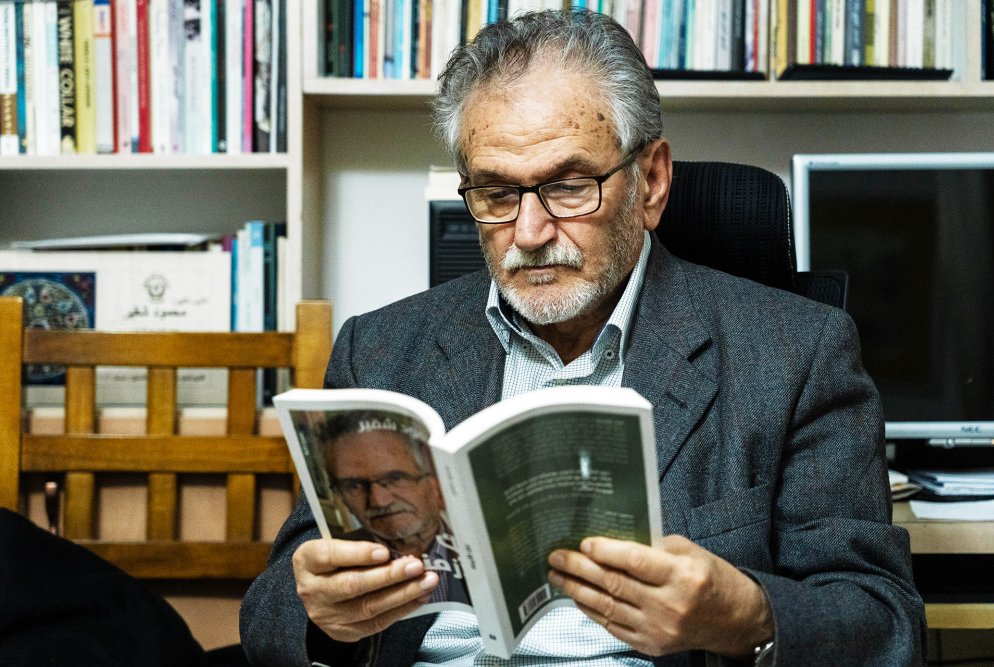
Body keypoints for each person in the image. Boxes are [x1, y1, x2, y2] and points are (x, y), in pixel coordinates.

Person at [241, 9, 926, 666]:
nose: (530, 233)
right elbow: (271, 613)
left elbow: (884, 625)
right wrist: (322, 614)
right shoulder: (382, 350)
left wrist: (747, 615)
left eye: (569, 186)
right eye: (496, 194)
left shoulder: (796, 353)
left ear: (651, 181)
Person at [313, 411, 470, 606]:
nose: (379, 501)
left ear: (433, 480)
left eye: (394, 479)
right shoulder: (335, 566)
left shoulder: (479, 544)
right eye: (353, 485)